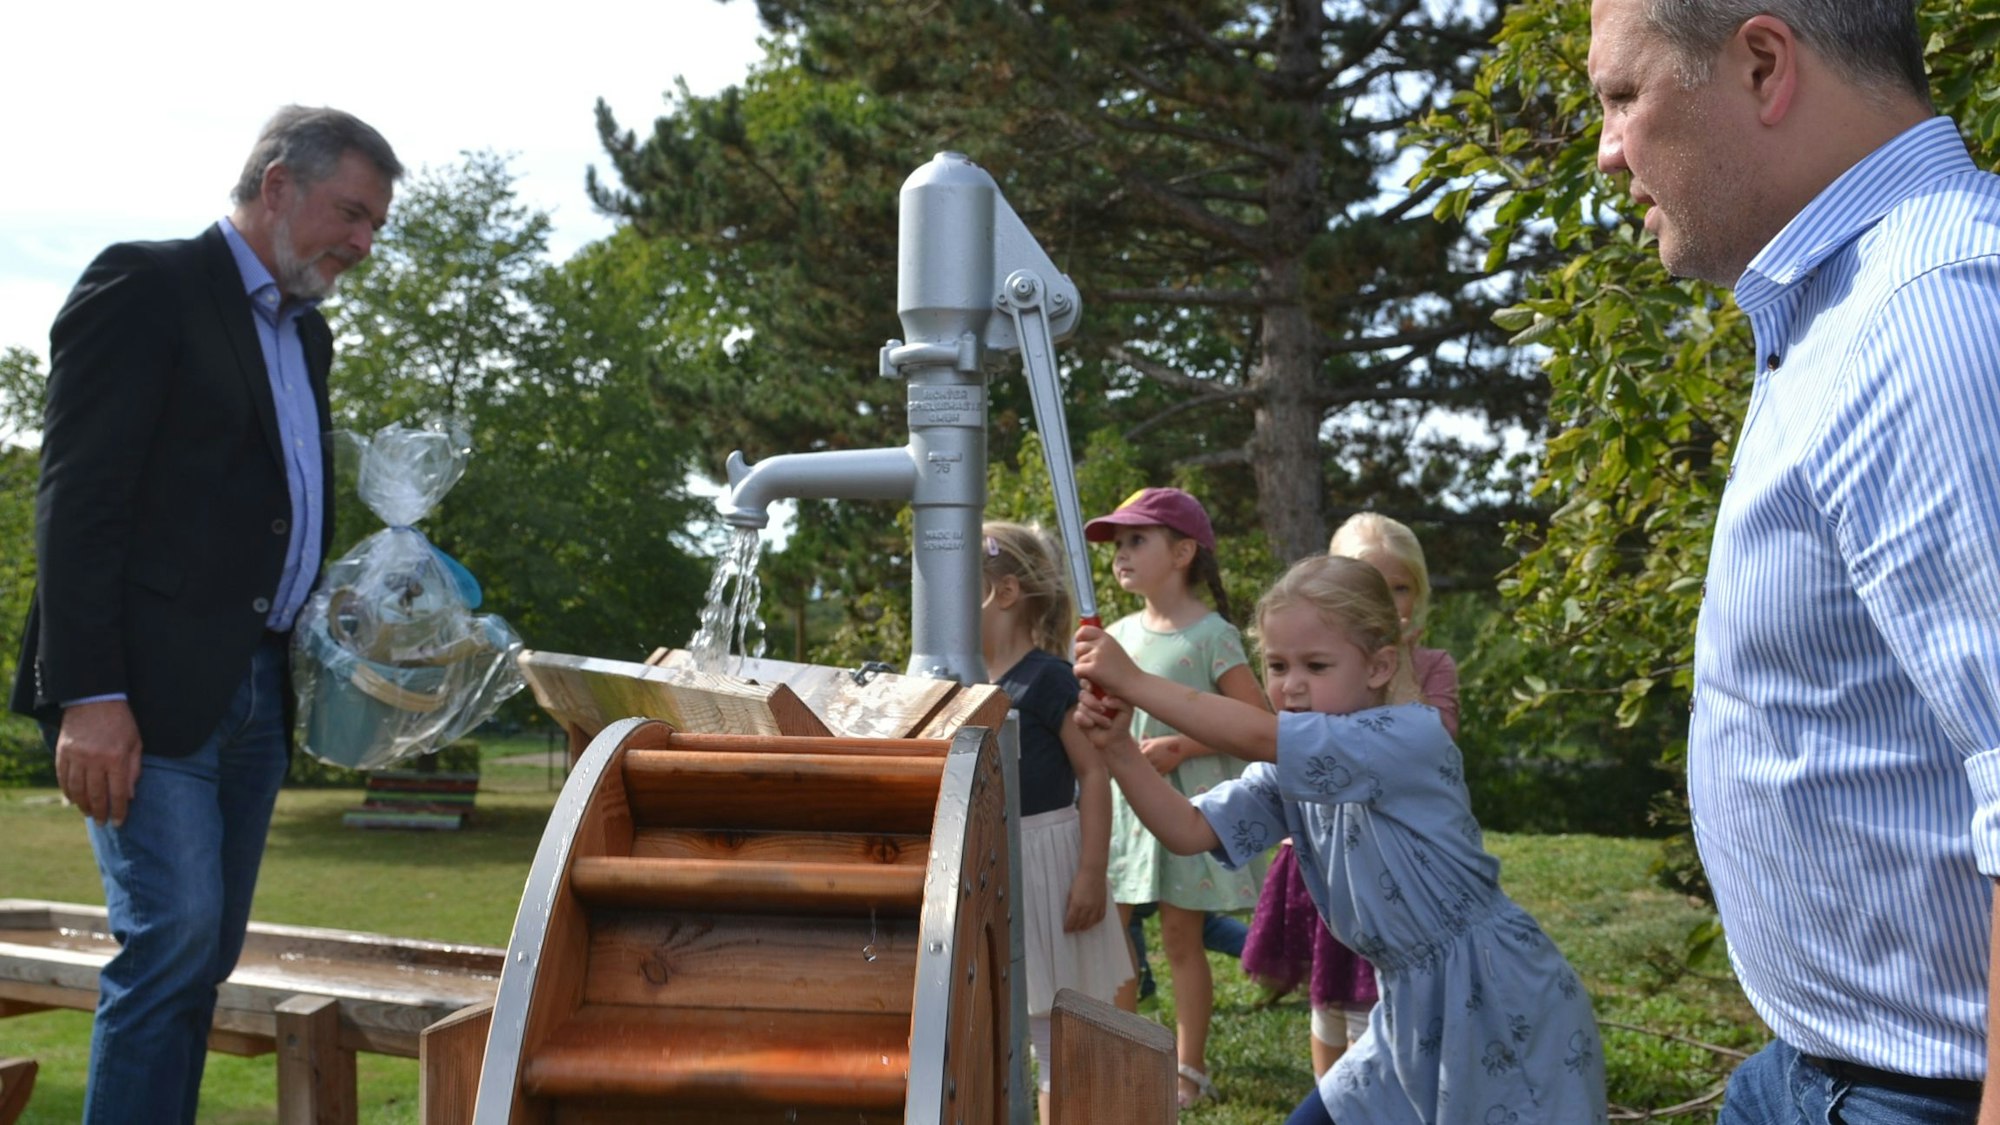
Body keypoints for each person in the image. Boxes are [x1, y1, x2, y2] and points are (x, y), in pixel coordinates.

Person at [1590, 1, 2000, 1120]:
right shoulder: (1851, 305)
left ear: (1762, 63)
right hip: (1819, 1069)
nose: (1606, 146)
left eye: (1622, 95)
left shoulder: (1929, 317)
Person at [9, 106, 400, 1124]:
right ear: (277, 185)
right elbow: (79, 502)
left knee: (203, 955)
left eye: (375, 227)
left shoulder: (306, 334)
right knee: (173, 938)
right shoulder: (147, 285)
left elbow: (266, 508)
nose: (364, 243)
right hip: (142, 691)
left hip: (260, 690)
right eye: (351, 213)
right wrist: (89, 696)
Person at [1074, 555, 1608, 1125]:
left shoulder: (1408, 735)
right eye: (1277, 666)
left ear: (1379, 666)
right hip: (1407, 1007)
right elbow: (1188, 830)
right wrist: (1120, 749)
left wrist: (1132, 681)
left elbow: (1258, 732)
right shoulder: (1291, 770)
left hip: (1494, 1000)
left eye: (1317, 665)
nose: (1292, 685)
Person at [1244, 513, 1461, 1077]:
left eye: (1399, 587)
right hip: (1323, 857)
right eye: (1367, 582)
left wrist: (1396, 666)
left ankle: (1367, 1093)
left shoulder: (1430, 664)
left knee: (1375, 1004)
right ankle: (1329, 1088)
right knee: (1327, 991)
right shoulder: (1314, 676)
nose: (1387, 600)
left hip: (1394, 870)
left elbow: (1434, 738)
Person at [1082, 485, 1268, 1109]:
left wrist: (1183, 747)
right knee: (1116, 937)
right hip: (1128, 812)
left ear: (1184, 551)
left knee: (1184, 942)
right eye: (1118, 544)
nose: (1121, 554)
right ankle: (1123, 1054)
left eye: (1138, 540)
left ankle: (1190, 1070)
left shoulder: (1213, 635)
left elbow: (1258, 720)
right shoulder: (1118, 633)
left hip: (1189, 807)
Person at [979, 522, 1136, 1121]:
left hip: (1050, 861)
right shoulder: (960, 678)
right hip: (988, 864)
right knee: (994, 1021)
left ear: (1003, 591)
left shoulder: (1047, 678)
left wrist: (1092, 871)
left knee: (1055, 1033)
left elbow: (1094, 775)